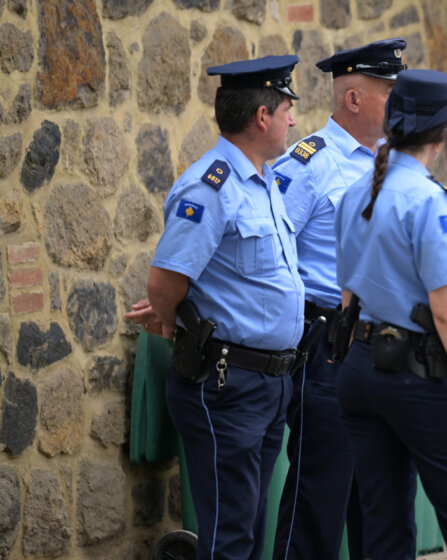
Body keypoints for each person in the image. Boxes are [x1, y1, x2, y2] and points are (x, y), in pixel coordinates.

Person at [334, 69, 447, 560]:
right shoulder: (429, 201)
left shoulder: (357, 191)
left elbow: (347, 294)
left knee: (383, 527)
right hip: (419, 376)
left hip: (361, 368)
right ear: (445, 132)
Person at [139, 55, 304, 560]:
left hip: (269, 384)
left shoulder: (265, 180)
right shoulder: (211, 187)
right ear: (262, 116)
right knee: (229, 536)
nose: (293, 120)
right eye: (287, 109)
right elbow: (165, 281)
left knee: (250, 527)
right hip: (225, 384)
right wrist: (177, 323)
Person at [269, 38, 407, 560]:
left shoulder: (395, 162)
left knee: (379, 498)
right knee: (319, 495)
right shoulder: (310, 164)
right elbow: (272, 250)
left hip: (387, 343)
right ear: (353, 100)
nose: (401, 102)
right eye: (389, 91)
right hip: (329, 342)